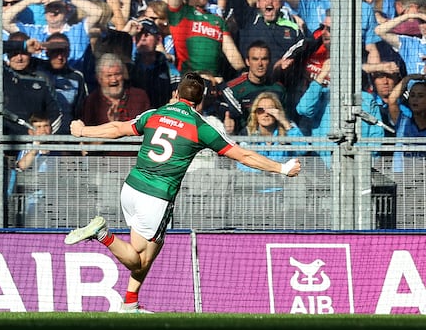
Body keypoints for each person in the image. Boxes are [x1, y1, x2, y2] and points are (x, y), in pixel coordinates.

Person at [64, 72, 301, 313]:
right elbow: (244, 155)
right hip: (156, 197)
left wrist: (84, 131)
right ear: (201, 99)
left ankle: (130, 303)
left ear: (176, 94)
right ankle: (102, 234)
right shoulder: (200, 126)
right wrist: (281, 168)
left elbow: (118, 128)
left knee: (153, 248)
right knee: (138, 260)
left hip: (131, 187)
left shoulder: (154, 114)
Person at [237, 92, 303, 173]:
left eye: (271, 110)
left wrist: (284, 122)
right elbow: (241, 165)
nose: (266, 114)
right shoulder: (247, 133)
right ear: (255, 114)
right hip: (257, 182)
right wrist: (272, 169)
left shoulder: (289, 129)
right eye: (260, 110)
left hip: (284, 182)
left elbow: (303, 150)